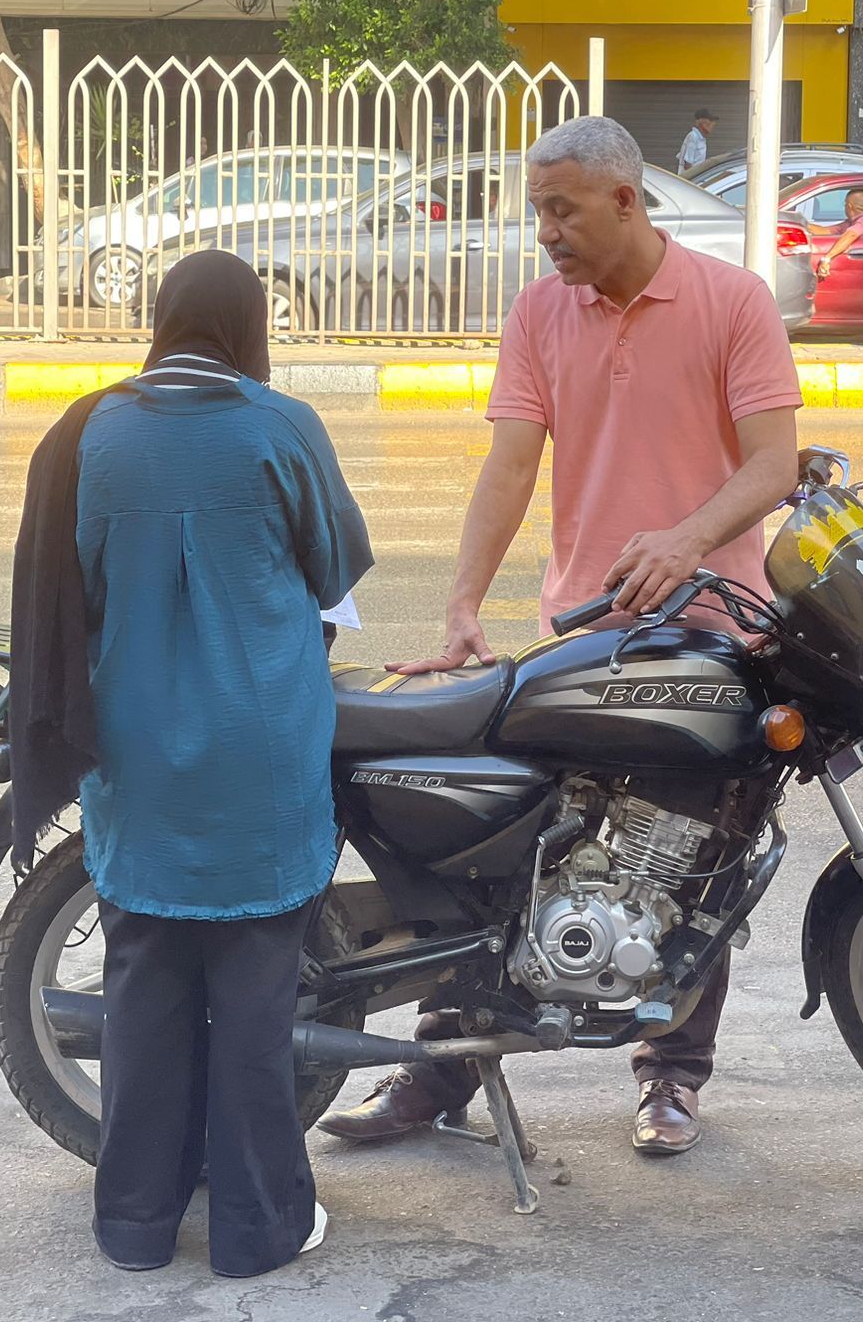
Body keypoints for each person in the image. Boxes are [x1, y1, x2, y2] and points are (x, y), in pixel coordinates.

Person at [318, 116, 800, 1157]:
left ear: (625, 199)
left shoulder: (730, 301)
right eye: (538, 210)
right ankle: (436, 1072)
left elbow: (772, 464)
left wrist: (686, 540)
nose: (544, 232)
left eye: (560, 209)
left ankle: (669, 1077)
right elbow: (508, 468)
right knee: (496, 858)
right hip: (578, 633)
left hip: (712, 632)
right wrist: (462, 607)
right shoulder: (539, 312)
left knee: (690, 862)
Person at [10, 250, 372, 1277]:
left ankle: (133, 1222)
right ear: (248, 326)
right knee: (258, 1003)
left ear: (163, 321)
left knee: (142, 989)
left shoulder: (94, 431)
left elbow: (69, 583)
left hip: (133, 749)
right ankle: (257, 1228)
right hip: (257, 752)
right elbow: (333, 567)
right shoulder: (278, 424)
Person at [809, 187, 863, 281]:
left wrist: (827, 258)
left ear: (849, 206)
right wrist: (802, 223)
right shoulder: (852, 222)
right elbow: (826, 231)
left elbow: (851, 235)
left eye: (845, 204)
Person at [676, 108, 717, 173]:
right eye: (710, 121)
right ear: (703, 123)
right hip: (690, 180)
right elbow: (688, 164)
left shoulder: (700, 138)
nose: (713, 124)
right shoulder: (693, 137)